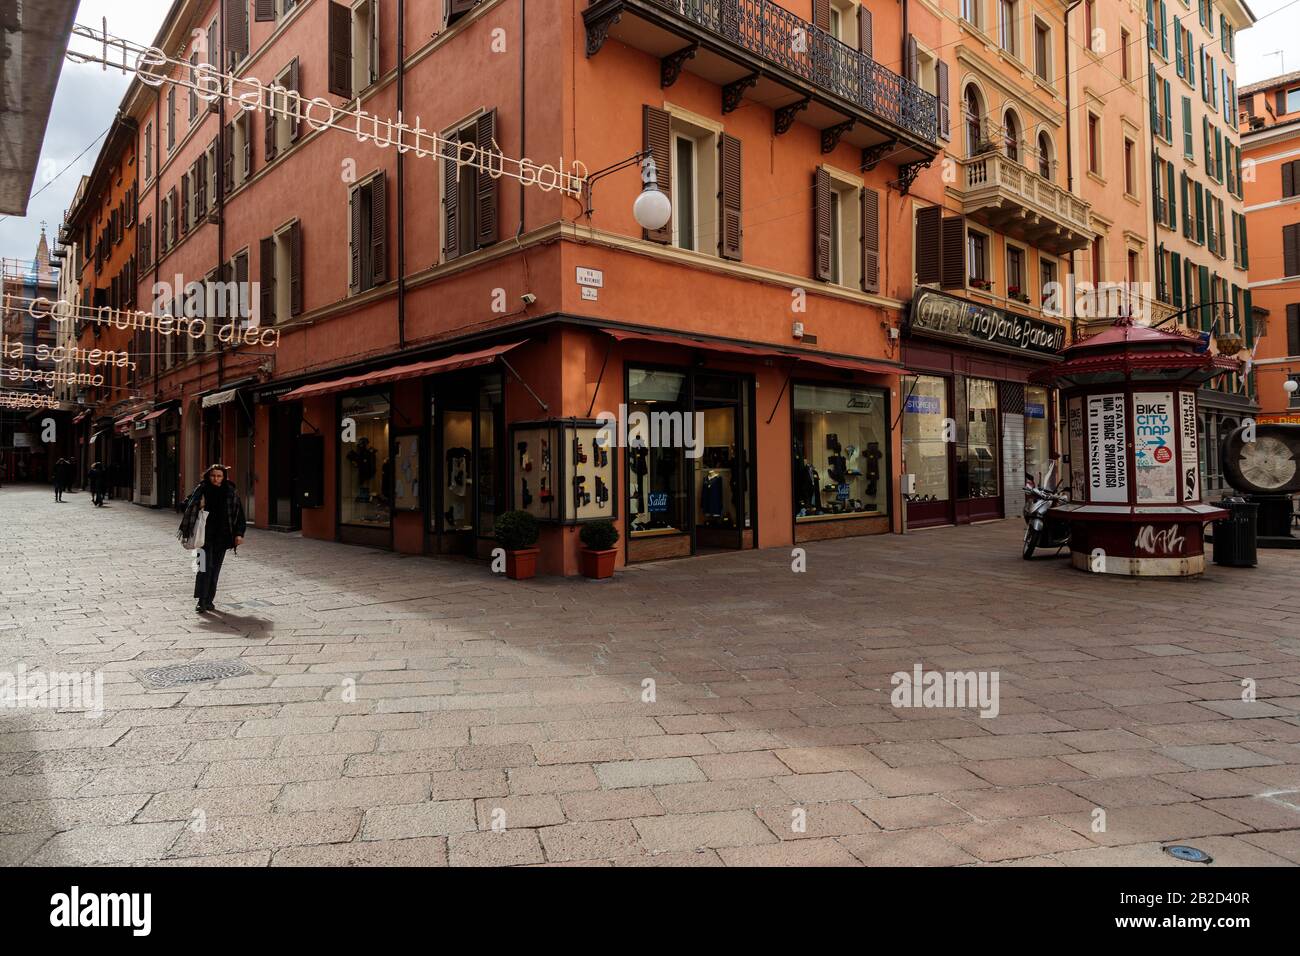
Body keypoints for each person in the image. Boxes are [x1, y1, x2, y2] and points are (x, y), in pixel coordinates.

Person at [178, 464, 247, 614]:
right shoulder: (201, 489)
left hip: (222, 537)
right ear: (208, 476)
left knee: (215, 569)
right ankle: (201, 601)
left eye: (219, 476)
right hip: (202, 537)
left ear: (224, 477)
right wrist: (198, 505)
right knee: (203, 567)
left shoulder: (230, 492)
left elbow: (239, 515)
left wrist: (239, 534)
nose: (216, 479)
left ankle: (209, 600)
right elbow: (184, 506)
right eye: (213, 476)